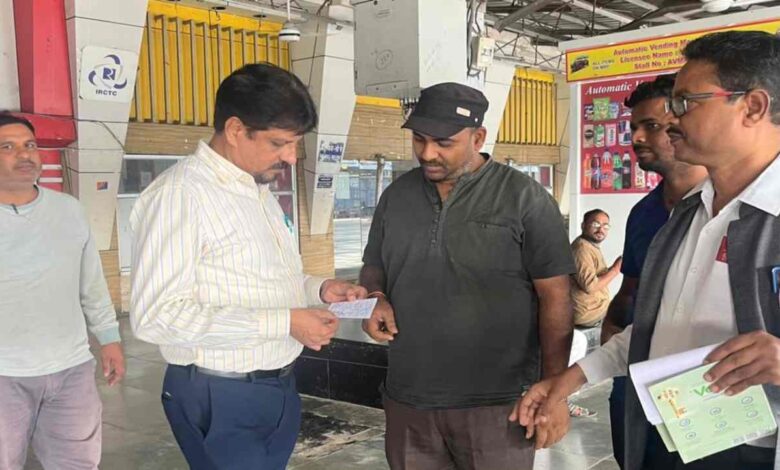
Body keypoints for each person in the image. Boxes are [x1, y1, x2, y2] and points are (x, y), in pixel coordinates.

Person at [518, 30, 780, 470]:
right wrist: (571, 379)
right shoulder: (686, 216)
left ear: (752, 107)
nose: (674, 120)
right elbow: (655, 333)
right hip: (667, 435)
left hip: (751, 450)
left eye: (686, 102)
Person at [129, 63, 366, 470]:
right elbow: (156, 317)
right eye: (279, 143)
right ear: (236, 129)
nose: (290, 157)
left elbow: (264, 279)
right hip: (220, 394)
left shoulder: (256, 190)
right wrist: (284, 322)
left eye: (295, 143)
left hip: (276, 385)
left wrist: (319, 289)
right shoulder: (180, 196)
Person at [359, 82, 576, 469]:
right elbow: (374, 264)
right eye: (419, 139)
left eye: (444, 142)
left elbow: (556, 298)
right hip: (409, 399)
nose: (428, 153)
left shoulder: (524, 198)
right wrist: (375, 296)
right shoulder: (396, 196)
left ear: (478, 138)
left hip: (497, 405)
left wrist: (555, 392)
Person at [0, 113, 126, 470]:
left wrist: (109, 338)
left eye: (29, 145)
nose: (24, 154)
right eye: (7, 147)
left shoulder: (69, 211)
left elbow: (91, 283)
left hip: (71, 371)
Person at [601, 74, 707, 469]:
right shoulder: (643, 213)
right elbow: (630, 292)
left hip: (703, 387)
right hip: (637, 378)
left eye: (651, 126)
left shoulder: (732, 210)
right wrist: (612, 341)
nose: (637, 138)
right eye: (633, 128)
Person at [571, 208, 622, 328]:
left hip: (595, 307)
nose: (601, 230)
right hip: (588, 313)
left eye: (605, 226)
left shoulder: (590, 246)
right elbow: (591, 286)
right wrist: (616, 269)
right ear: (583, 225)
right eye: (596, 224)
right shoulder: (581, 249)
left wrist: (615, 267)